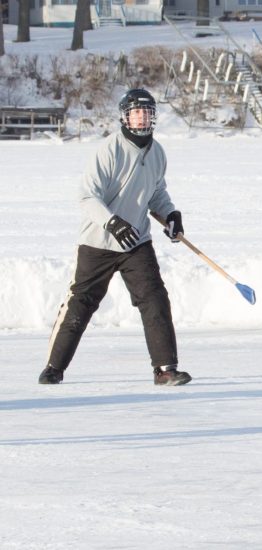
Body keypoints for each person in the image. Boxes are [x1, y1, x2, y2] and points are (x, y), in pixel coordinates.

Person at [38, 89, 191, 387]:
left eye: (147, 112)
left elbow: (157, 193)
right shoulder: (110, 150)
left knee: (155, 299)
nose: (142, 117)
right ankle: (54, 367)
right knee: (81, 303)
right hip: (98, 241)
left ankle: (165, 369)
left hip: (135, 241)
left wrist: (171, 214)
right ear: (125, 116)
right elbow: (86, 195)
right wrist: (112, 222)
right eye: (136, 112)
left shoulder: (157, 152)